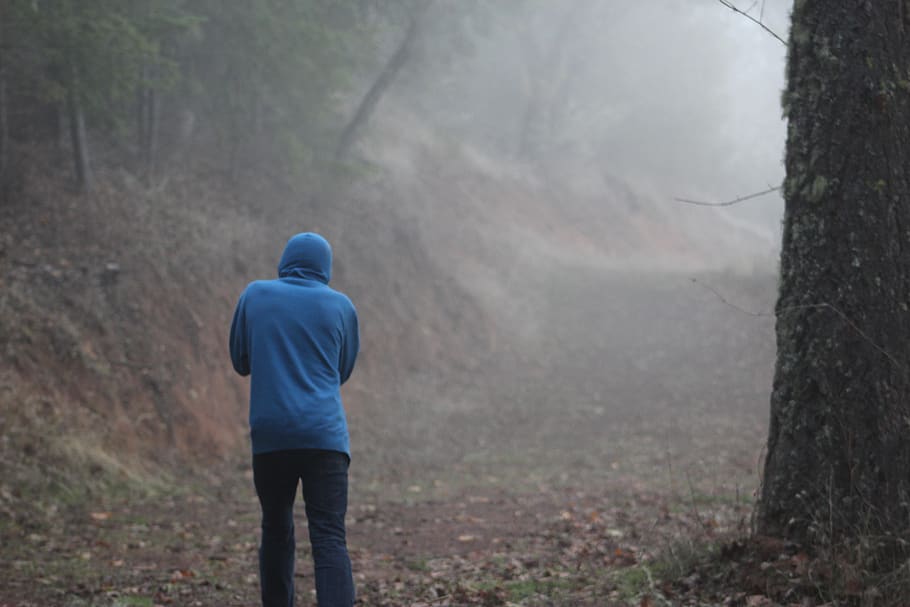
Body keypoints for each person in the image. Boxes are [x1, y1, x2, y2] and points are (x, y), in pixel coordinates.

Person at [229, 232, 359, 607]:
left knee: (276, 527)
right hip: (326, 438)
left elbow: (240, 360)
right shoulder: (341, 306)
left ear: (284, 260)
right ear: (326, 268)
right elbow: (341, 370)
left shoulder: (255, 295)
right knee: (330, 538)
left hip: (272, 437)